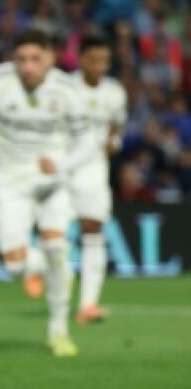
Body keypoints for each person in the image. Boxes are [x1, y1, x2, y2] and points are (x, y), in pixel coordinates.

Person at [0, 29, 94, 357]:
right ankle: (44, 267)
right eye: (22, 59)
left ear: (51, 59)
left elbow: (87, 142)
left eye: (35, 59)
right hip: (6, 181)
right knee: (14, 265)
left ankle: (58, 331)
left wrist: (61, 164)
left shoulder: (67, 91)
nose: (28, 66)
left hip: (51, 180)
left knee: (56, 245)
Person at [69, 34, 127, 324]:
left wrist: (113, 142)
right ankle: (45, 272)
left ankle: (88, 304)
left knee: (93, 230)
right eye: (93, 59)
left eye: (104, 60)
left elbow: (117, 123)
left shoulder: (115, 92)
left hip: (94, 170)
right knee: (52, 230)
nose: (99, 66)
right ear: (80, 59)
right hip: (65, 169)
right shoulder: (66, 89)